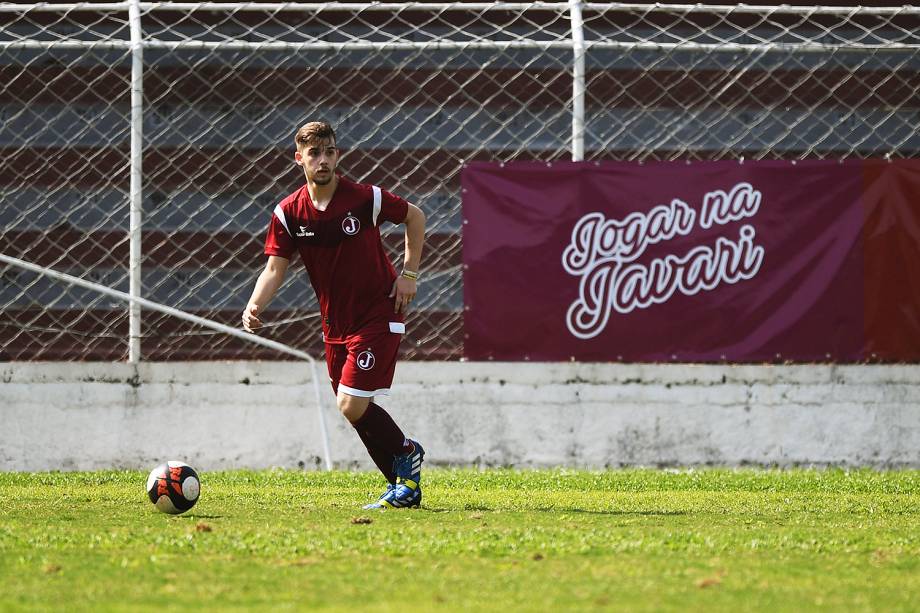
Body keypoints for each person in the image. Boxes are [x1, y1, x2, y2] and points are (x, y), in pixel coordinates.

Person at [242, 121, 426, 509]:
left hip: (378, 313)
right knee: (354, 409)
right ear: (299, 159)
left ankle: (407, 451)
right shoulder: (289, 212)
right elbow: (275, 268)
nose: (322, 160)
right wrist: (255, 304)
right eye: (314, 153)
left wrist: (409, 275)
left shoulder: (364, 198)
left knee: (351, 403)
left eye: (329, 152)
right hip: (335, 327)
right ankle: (403, 487)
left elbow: (415, 216)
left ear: (337, 156)